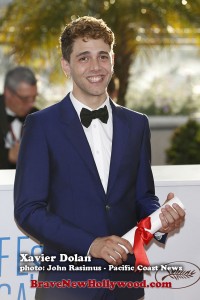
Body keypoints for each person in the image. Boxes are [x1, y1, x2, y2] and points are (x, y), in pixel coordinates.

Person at [14, 16, 185, 300]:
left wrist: (160, 220)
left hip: (124, 286)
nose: (95, 67)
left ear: (112, 60)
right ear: (66, 66)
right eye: (84, 58)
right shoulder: (42, 125)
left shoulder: (137, 124)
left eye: (102, 56)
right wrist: (91, 244)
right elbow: (28, 210)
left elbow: (143, 197)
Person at [0, 66, 38, 169]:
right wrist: (8, 156)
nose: (31, 104)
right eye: (25, 99)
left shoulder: (37, 116)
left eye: (34, 98)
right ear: (7, 93)